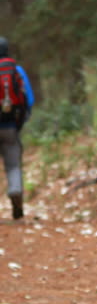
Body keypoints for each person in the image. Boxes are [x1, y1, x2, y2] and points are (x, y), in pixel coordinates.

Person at [0, 37, 34, 220]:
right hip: (10, 127)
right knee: (13, 166)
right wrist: (20, 120)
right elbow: (29, 100)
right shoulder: (16, 71)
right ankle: (16, 196)